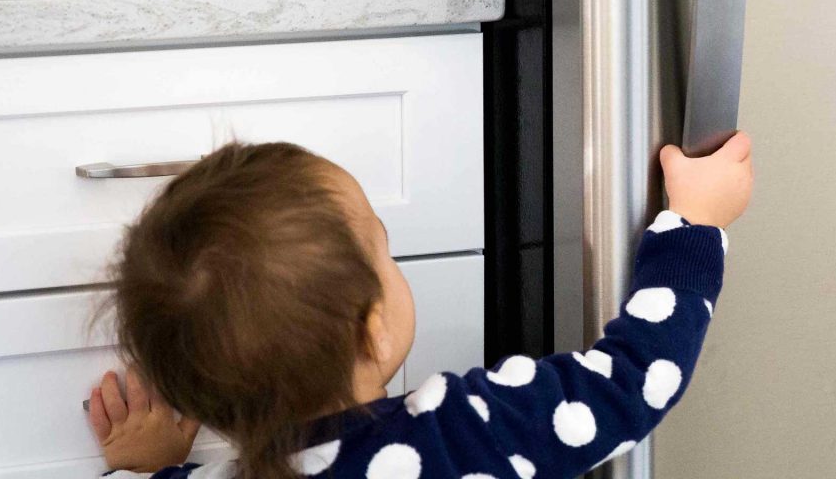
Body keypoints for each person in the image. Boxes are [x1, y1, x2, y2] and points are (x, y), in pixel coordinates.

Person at [89, 133, 753, 478]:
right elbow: (634, 380)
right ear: (371, 331)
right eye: (384, 248)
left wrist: (156, 466)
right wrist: (694, 226)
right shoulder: (468, 431)